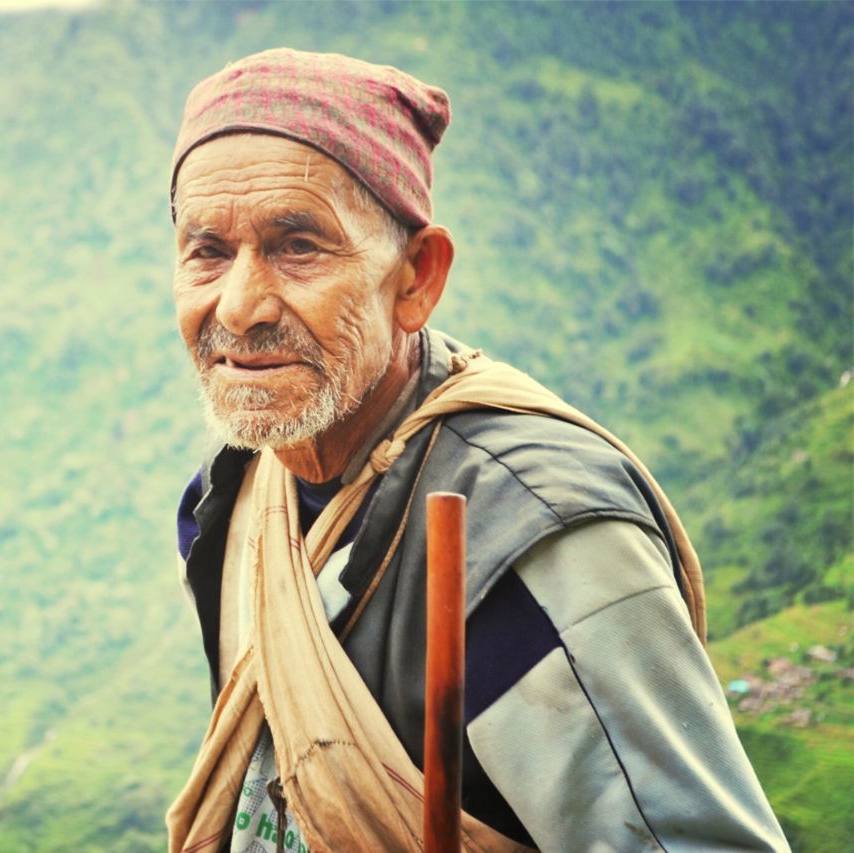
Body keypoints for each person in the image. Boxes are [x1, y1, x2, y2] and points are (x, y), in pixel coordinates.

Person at [163, 48, 787, 852]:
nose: (241, 305)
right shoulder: (231, 505)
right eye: (208, 250)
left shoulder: (534, 546)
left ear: (416, 277)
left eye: (298, 246)